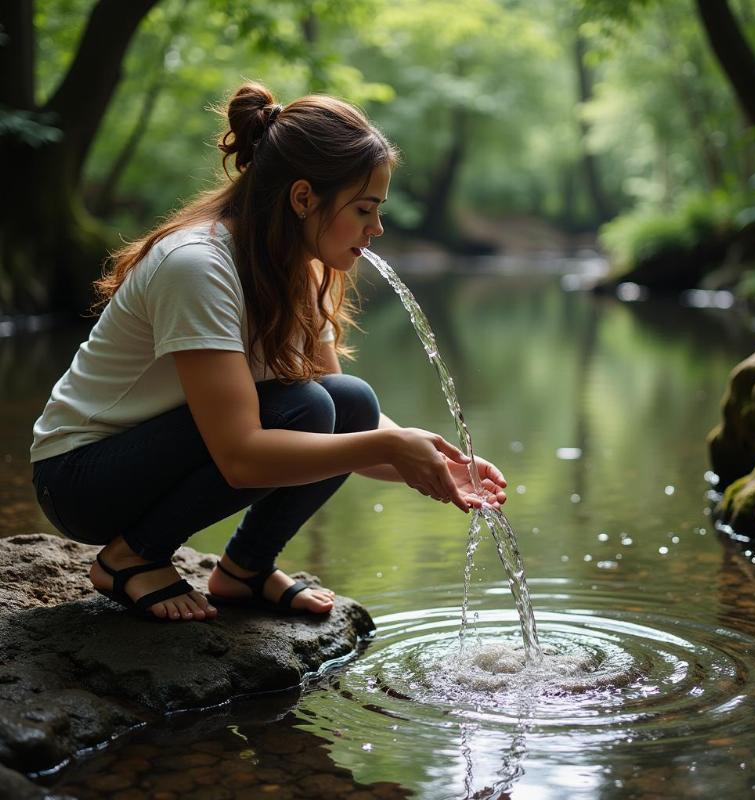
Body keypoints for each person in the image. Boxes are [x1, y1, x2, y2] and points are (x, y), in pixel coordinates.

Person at [30, 81, 507, 623]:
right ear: (303, 198)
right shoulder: (197, 265)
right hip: (80, 477)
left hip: (156, 459)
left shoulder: (297, 270)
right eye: (364, 209)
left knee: (346, 400)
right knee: (307, 408)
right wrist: (394, 445)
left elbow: (348, 423)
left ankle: (244, 570)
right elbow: (240, 456)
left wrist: (440, 467)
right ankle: (130, 558)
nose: (376, 229)